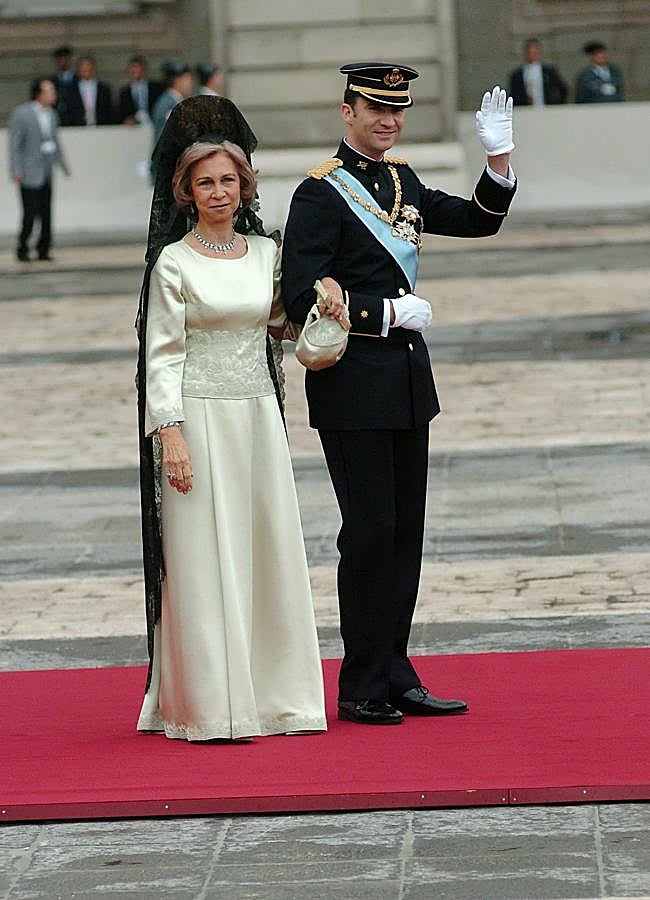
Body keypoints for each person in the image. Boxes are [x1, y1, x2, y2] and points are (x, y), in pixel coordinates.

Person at [282, 63, 516, 726]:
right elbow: (302, 297)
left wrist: (497, 160)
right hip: (352, 385)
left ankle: (395, 669)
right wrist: (382, 315)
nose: (388, 121)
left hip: (407, 384)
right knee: (370, 534)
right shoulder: (319, 195)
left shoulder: (401, 179)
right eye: (375, 109)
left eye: (397, 110)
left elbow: (476, 222)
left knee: (405, 535)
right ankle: (360, 682)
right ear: (347, 110)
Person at [136, 95, 327, 742]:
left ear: (245, 186)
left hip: (257, 418)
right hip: (196, 418)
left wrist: (323, 306)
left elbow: (281, 328)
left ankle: (278, 700)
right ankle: (211, 706)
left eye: (228, 180)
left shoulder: (265, 254)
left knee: (264, 550)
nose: (219, 191)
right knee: (199, 559)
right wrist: (172, 436)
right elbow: (162, 357)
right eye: (205, 182)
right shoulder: (173, 263)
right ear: (185, 192)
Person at [8, 78, 70, 262]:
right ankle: (23, 246)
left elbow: (55, 142)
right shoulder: (22, 114)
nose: (53, 94)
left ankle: (43, 248)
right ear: (39, 93)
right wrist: (15, 168)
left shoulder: (52, 114)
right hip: (29, 171)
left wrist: (63, 165)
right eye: (49, 91)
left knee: (46, 212)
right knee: (29, 212)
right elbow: (15, 144)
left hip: (46, 170)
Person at [509, 37, 567, 107]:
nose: (532, 54)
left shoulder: (549, 72)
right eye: (529, 51)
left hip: (547, 110)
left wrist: (556, 104)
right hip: (525, 112)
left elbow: (562, 90)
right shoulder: (516, 75)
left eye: (535, 51)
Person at [151, 60, 193, 149]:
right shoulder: (167, 103)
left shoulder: (175, 101)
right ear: (177, 80)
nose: (190, 83)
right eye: (187, 78)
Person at [63, 55, 114, 126]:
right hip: (78, 130)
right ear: (78, 69)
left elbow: (110, 112)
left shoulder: (104, 89)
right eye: (82, 66)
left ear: (94, 68)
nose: (86, 68)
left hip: (101, 130)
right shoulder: (70, 91)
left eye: (88, 65)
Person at [117, 55, 164, 125]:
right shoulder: (124, 92)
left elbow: (161, 107)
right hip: (134, 129)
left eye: (138, 67)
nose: (136, 70)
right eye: (133, 67)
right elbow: (121, 114)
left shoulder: (156, 87)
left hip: (154, 125)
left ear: (144, 69)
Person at [50, 45, 76, 126]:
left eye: (66, 58)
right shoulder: (51, 81)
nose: (63, 61)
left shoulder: (78, 80)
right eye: (60, 59)